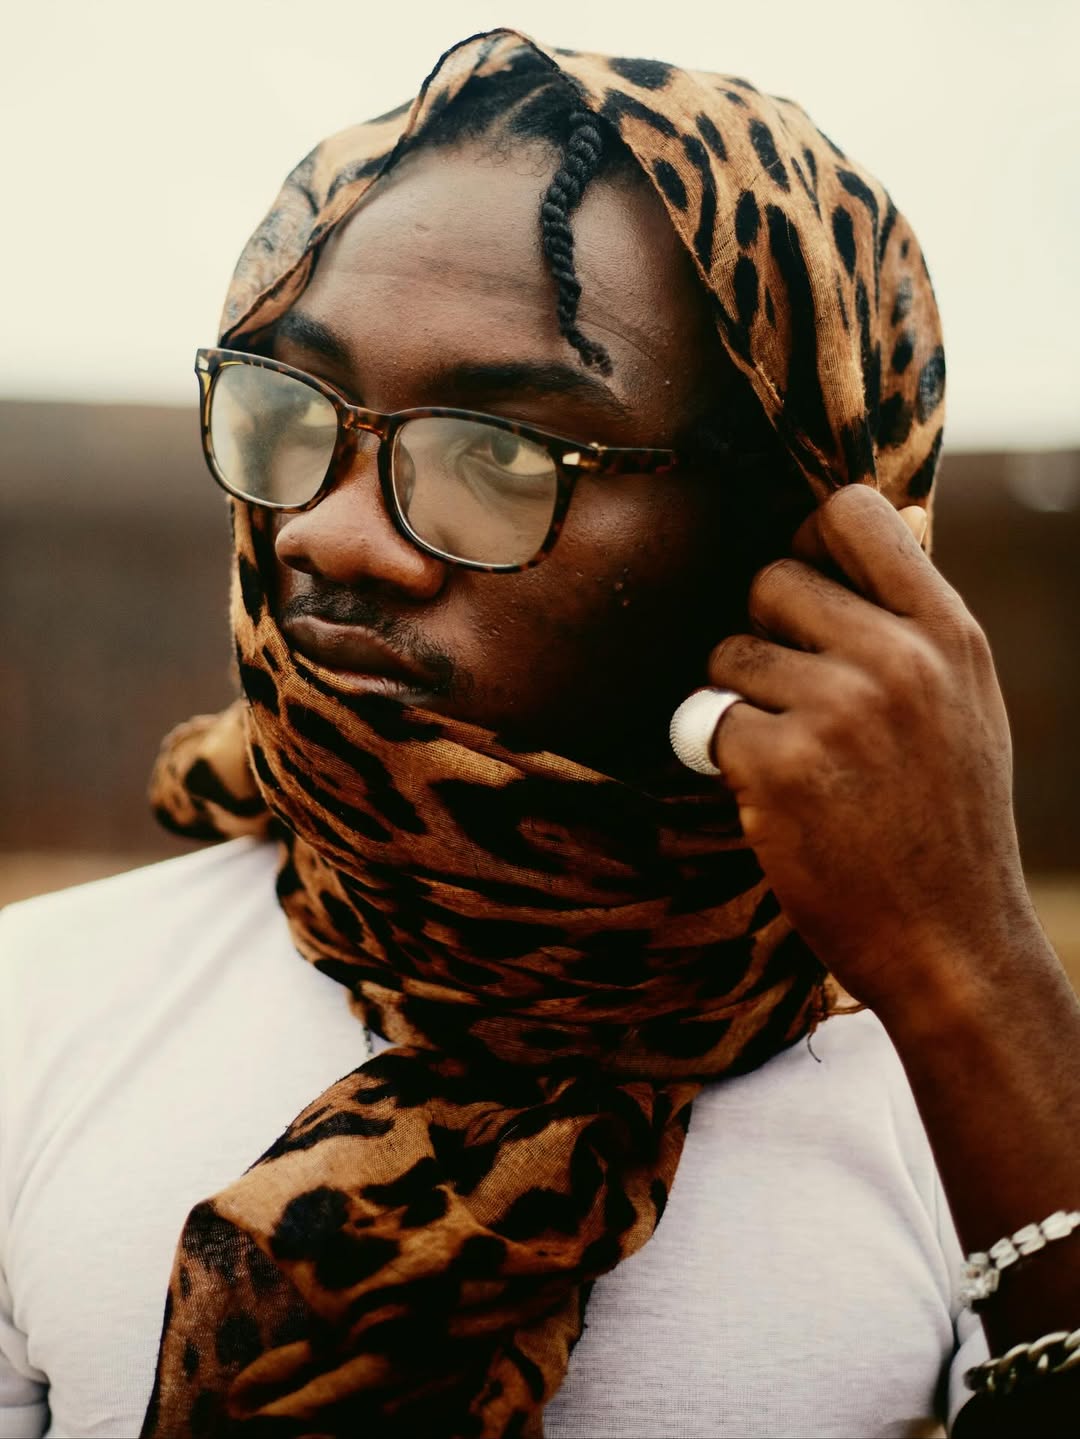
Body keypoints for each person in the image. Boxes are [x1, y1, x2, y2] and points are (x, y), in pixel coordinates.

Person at [1, 28, 1077, 1439]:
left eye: (499, 453)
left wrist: (974, 977)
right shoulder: (41, 1016)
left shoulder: (963, 1091)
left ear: (779, 525)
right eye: (291, 403)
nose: (328, 530)